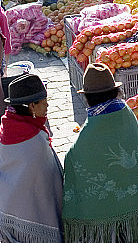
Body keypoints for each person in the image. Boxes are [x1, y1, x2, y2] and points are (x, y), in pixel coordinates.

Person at [62, 63, 138, 243]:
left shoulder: (92, 129)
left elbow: (74, 157)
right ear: (114, 91)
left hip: (113, 232)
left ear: (88, 97)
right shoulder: (125, 113)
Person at [0, 73, 63, 243]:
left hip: (8, 218)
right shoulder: (35, 142)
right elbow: (50, 187)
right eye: (43, 101)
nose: (47, 104)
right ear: (31, 107)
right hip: (36, 226)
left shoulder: (6, 128)